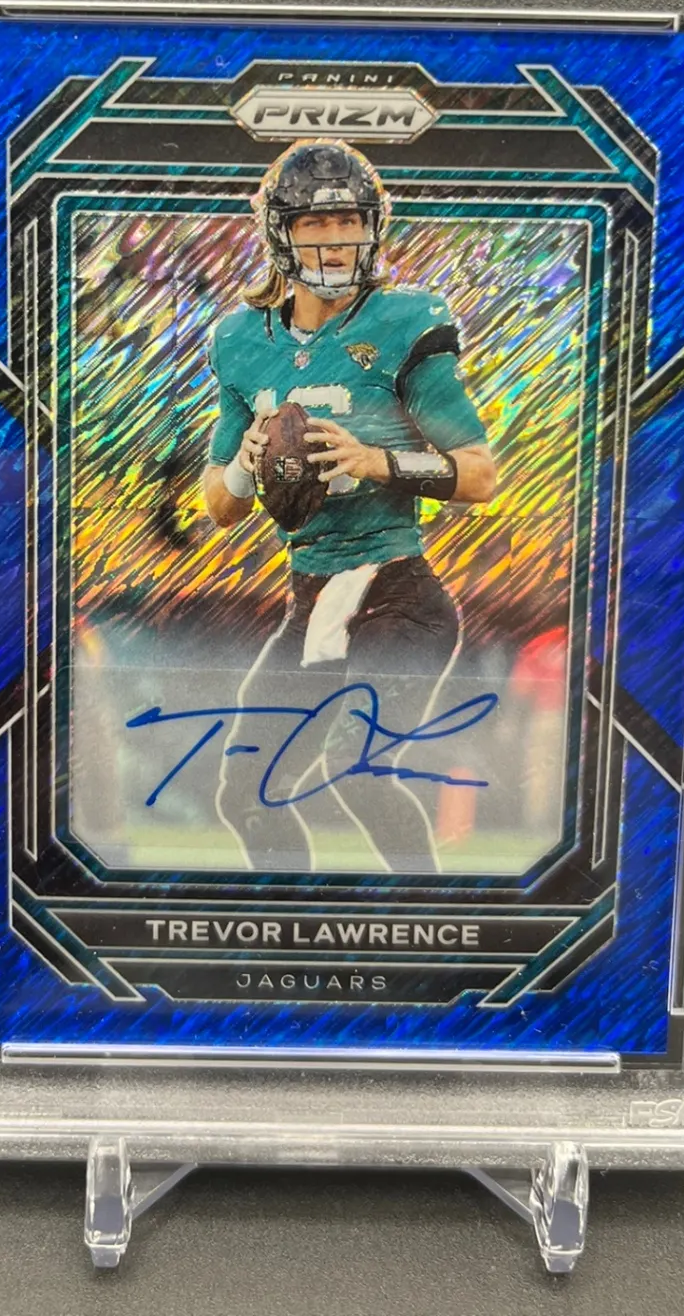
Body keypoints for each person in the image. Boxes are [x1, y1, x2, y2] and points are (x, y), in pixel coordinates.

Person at [202, 139, 497, 873]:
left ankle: (425, 917)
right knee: (245, 795)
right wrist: (245, 463)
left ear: (372, 226)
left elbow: (479, 475)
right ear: (280, 232)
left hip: (398, 596)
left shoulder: (403, 322)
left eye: (348, 221)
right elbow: (219, 508)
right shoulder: (241, 341)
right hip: (312, 600)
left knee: (355, 772)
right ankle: (291, 920)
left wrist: (378, 462)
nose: (335, 240)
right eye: (314, 223)